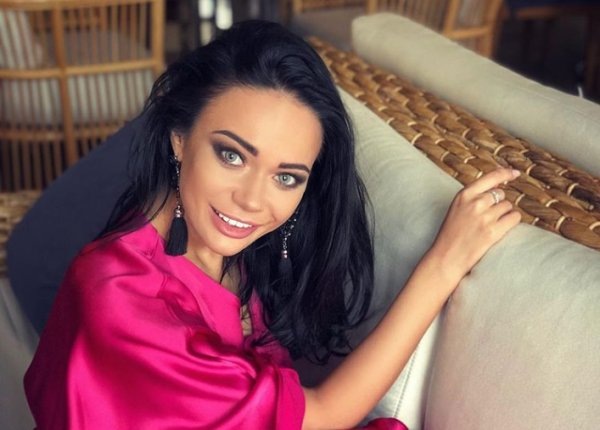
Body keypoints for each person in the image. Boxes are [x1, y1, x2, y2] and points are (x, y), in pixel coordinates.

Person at [22, 21, 521, 429]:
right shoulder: (121, 295)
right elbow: (325, 415)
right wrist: (443, 263)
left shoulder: (223, 249)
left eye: (286, 177)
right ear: (179, 139)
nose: (252, 201)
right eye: (232, 155)